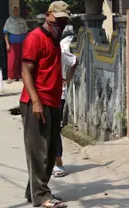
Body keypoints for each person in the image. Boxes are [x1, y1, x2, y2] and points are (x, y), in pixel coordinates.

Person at [19, 1, 71, 207]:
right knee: (39, 151)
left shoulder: (54, 39)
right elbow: (25, 71)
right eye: (58, 20)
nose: (61, 24)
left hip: (53, 101)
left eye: (64, 21)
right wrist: (36, 102)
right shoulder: (35, 38)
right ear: (48, 15)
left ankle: (34, 191)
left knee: (50, 153)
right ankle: (41, 196)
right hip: (36, 102)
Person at [53, 25, 78, 177]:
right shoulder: (40, 52)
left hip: (58, 96)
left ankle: (58, 162)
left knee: (54, 129)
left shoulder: (60, 52)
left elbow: (75, 61)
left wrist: (67, 79)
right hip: (42, 95)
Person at [4, 5, 28, 84]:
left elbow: (25, 32)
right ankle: (11, 76)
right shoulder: (8, 21)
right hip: (12, 44)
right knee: (12, 60)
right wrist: (7, 44)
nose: (15, 12)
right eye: (14, 11)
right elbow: (6, 34)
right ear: (11, 12)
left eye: (17, 11)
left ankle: (20, 75)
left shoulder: (22, 21)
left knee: (21, 59)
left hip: (22, 43)